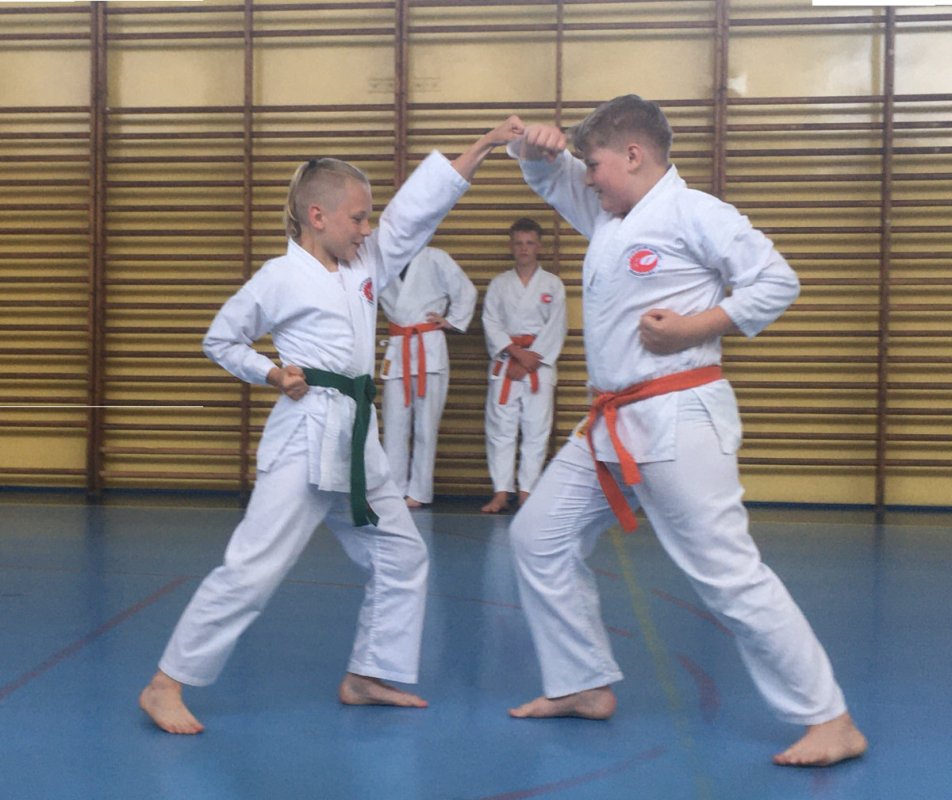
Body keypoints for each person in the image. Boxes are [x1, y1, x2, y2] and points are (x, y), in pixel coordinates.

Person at [501, 96, 868, 768]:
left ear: (633, 155)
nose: (588, 177)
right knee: (538, 535)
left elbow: (776, 281)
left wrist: (696, 327)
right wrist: (531, 150)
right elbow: (551, 177)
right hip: (611, 421)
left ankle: (830, 718)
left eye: (595, 165)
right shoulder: (610, 214)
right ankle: (581, 682)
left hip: (679, 416)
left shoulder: (695, 212)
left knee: (727, 573)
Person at [138, 118, 524, 735]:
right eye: (358, 218)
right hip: (304, 435)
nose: (368, 228)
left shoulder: (365, 262)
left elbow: (417, 211)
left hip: (356, 441)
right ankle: (166, 684)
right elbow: (221, 339)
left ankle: (368, 673)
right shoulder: (279, 277)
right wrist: (270, 373)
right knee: (253, 568)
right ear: (317, 216)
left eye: (369, 219)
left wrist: (479, 148)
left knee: (402, 554)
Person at [480, 218, 567, 514]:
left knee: (536, 430)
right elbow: (490, 322)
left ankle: (527, 491)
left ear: (539, 246)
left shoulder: (552, 284)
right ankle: (501, 492)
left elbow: (556, 327)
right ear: (511, 246)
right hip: (507, 362)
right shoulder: (499, 284)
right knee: (500, 430)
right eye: (518, 243)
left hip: (538, 367)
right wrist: (515, 353)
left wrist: (530, 361)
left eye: (529, 243)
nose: (524, 248)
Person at [379, 246, 477, 508]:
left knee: (425, 426)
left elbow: (466, 291)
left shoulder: (436, 258)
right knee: (393, 424)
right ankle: (394, 488)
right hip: (398, 346)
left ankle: (419, 492)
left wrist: (452, 320)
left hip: (429, 347)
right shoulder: (383, 260)